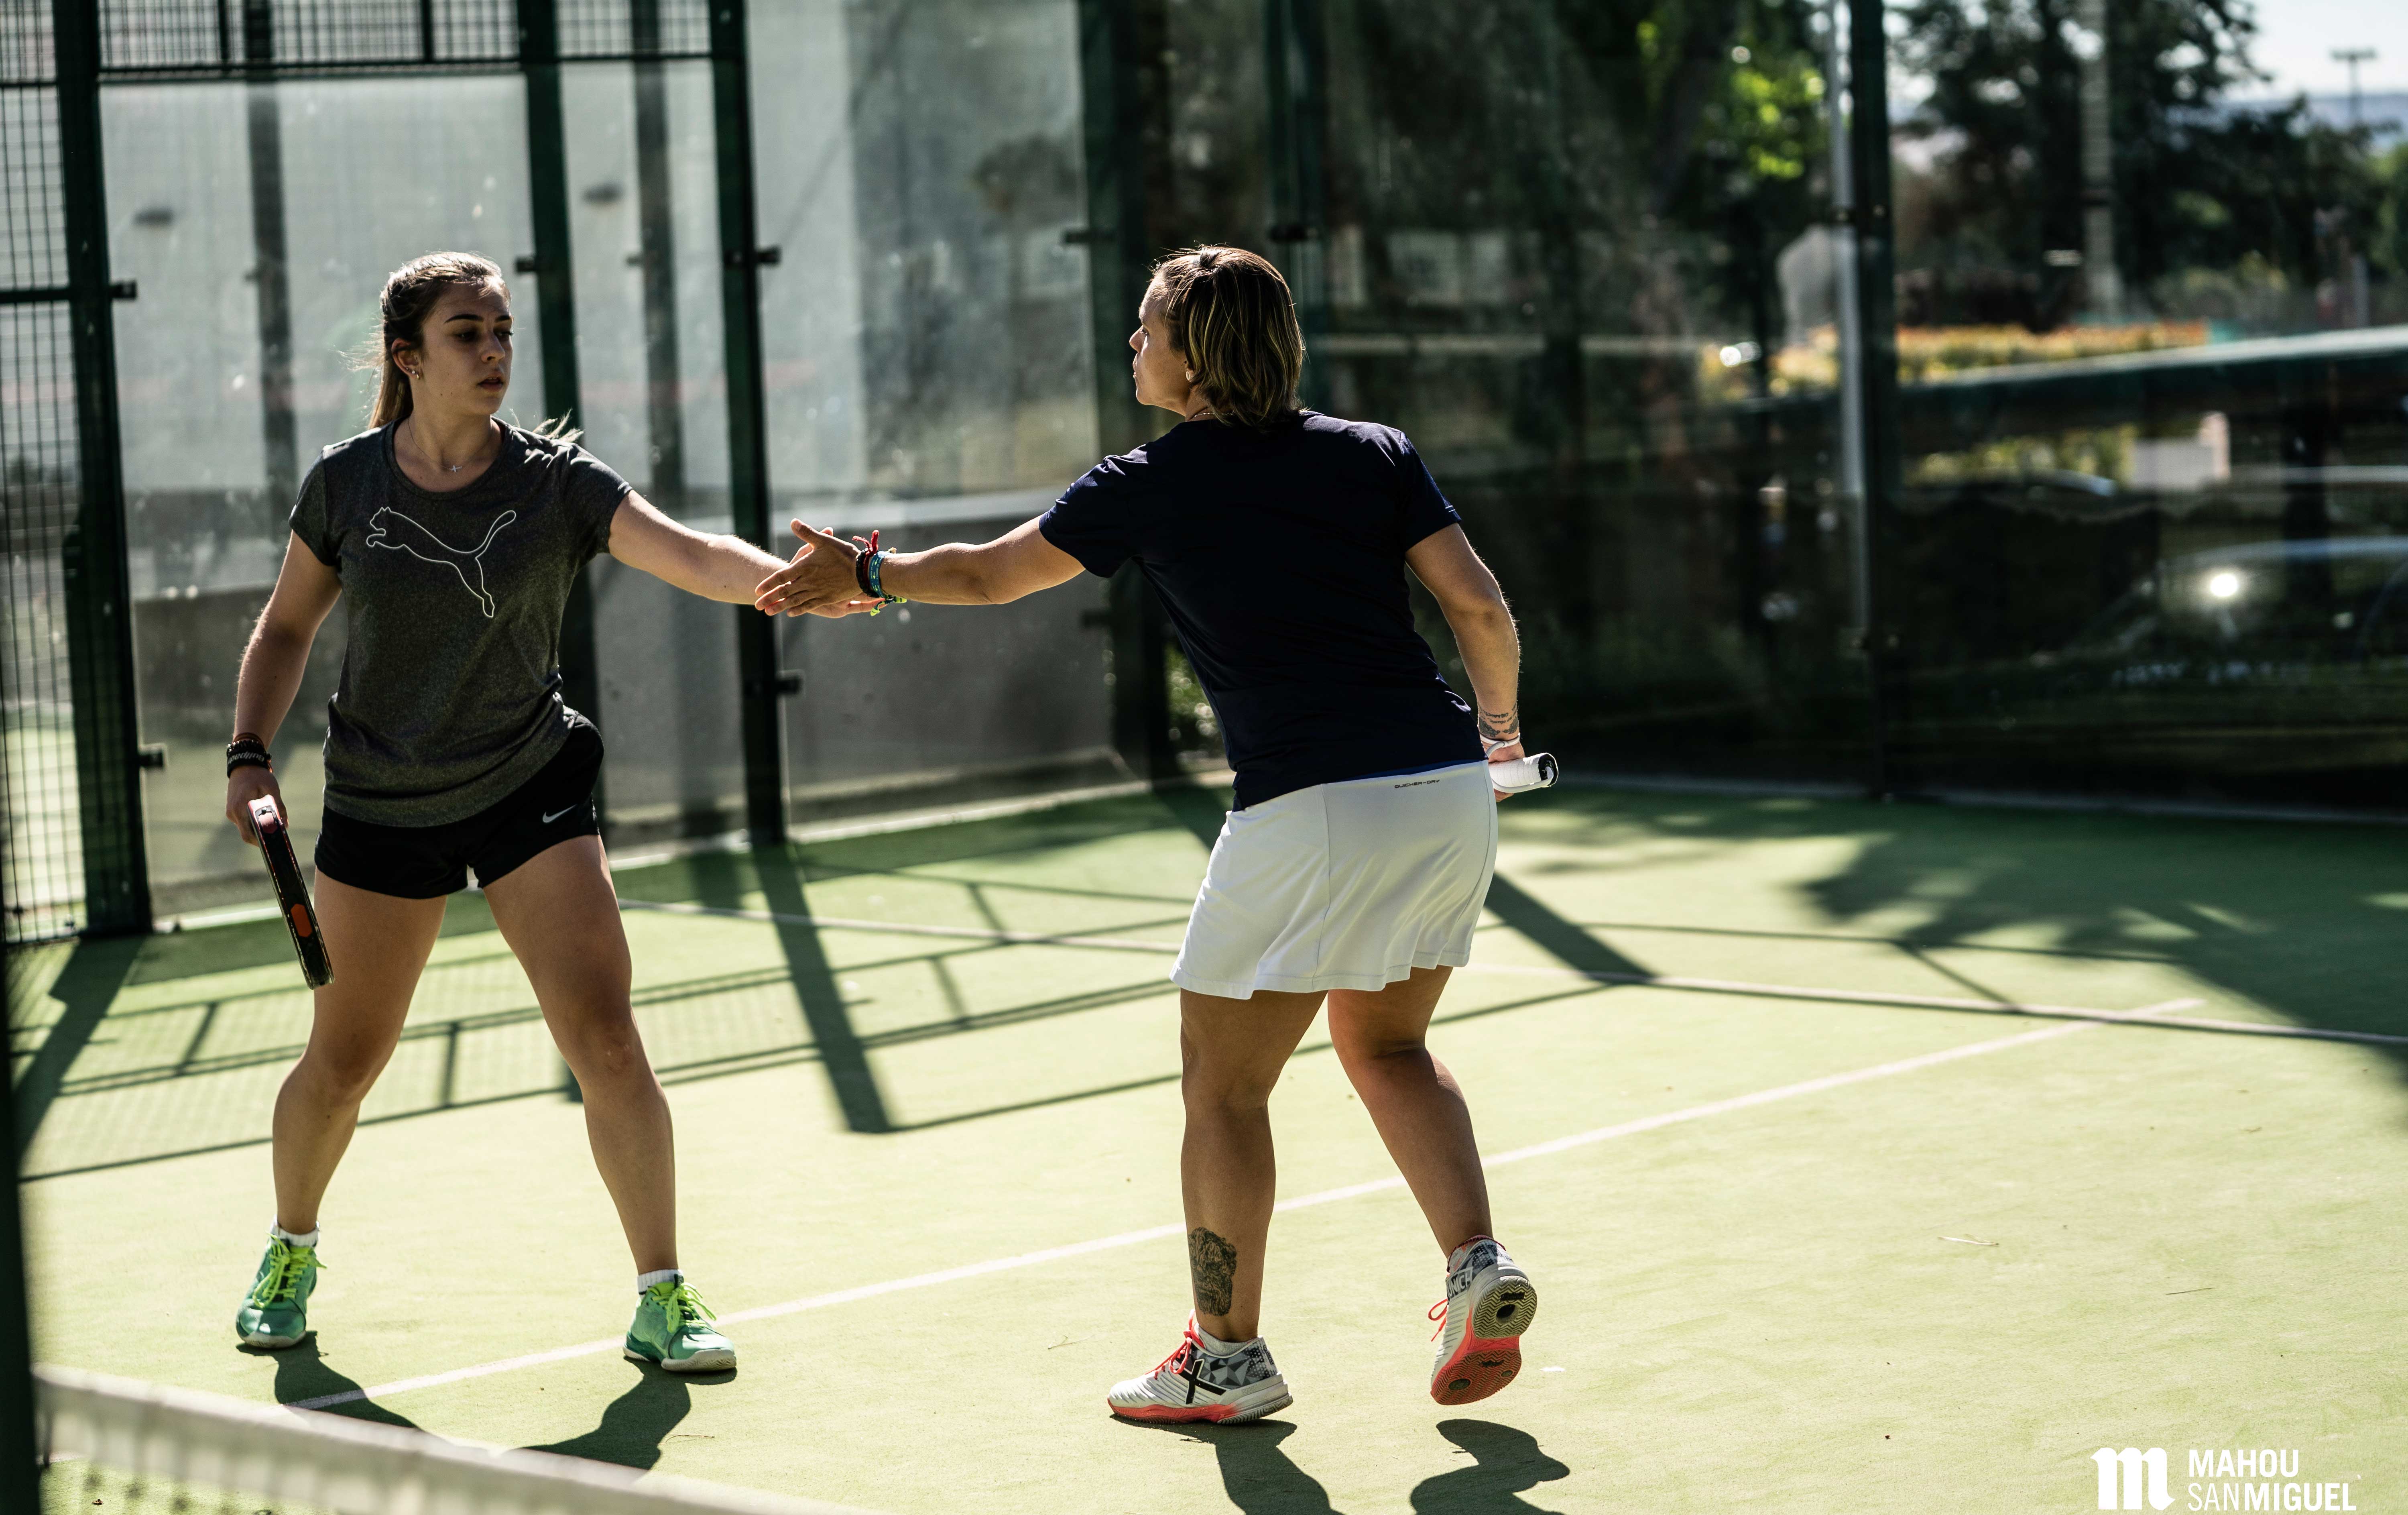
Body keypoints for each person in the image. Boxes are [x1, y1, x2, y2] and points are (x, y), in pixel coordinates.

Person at [755, 244, 1538, 1421]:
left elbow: (989, 576)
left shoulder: (1148, 481)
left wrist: (866, 571)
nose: (1133, 345)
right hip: (1445, 791)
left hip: (1312, 805)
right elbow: (1476, 604)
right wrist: (1499, 740)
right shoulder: (1376, 452)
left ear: (1197, 355)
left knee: (1223, 1088)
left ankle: (1227, 1360)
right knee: (1387, 1048)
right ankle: (1476, 1265)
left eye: (1148, 330)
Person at [224, 251, 853, 1371]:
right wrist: (247, 753)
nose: (495, 352)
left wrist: (794, 580)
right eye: (468, 333)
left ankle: (663, 1294)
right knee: (345, 1061)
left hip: (529, 785)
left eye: (503, 330)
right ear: (408, 356)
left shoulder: (556, 482)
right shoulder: (347, 485)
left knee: (605, 1036)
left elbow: (692, 553)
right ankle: (291, 1248)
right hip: (382, 802)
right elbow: (285, 629)